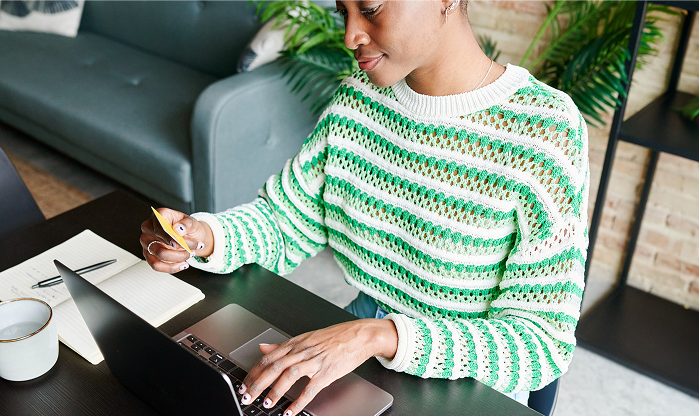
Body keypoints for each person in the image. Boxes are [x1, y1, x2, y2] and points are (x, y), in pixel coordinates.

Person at [141, 0, 589, 414]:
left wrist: (382, 336)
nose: (351, 34)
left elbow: (540, 345)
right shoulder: (359, 99)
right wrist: (203, 237)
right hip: (356, 340)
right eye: (344, 11)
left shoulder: (544, 132)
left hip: (469, 384)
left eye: (371, 8)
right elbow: (285, 220)